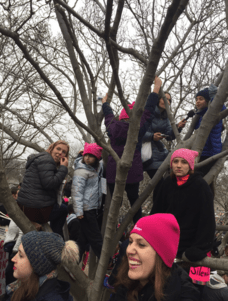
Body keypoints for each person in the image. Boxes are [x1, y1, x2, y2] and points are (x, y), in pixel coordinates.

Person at [102, 79, 161, 224]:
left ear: (120, 117)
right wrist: (156, 89)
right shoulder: (137, 127)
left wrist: (105, 104)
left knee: (114, 203)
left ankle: (113, 228)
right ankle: (138, 225)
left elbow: (108, 116)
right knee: (135, 202)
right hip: (132, 172)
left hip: (112, 172)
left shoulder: (113, 126)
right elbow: (148, 111)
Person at [110, 214, 200, 301]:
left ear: (161, 255)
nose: (129, 250)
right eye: (130, 242)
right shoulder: (125, 283)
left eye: (141, 244)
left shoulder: (183, 294)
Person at [151, 148, 215, 262]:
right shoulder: (167, 183)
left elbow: (207, 220)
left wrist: (199, 247)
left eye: (183, 162)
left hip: (189, 241)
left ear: (190, 165)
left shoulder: (201, 186)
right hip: (167, 238)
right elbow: (156, 212)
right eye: (175, 161)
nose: (178, 165)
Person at [4, 231, 79, 301]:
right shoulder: (24, 284)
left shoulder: (49, 297)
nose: (13, 259)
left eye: (20, 255)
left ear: (38, 265)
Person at [16, 140, 69, 234]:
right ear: (51, 148)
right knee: (63, 210)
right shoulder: (47, 160)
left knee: (60, 207)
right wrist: (63, 168)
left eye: (64, 152)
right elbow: (49, 184)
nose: (60, 152)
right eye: (58, 149)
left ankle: (39, 226)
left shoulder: (41, 158)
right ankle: (54, 238)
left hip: (26, 205)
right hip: (35, 208)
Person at [142, 78, 186, 179]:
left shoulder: (166, 117)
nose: (167, 101)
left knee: (170, 180)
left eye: (169, 100)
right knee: (158, 183)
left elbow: (169, 136)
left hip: (161, 153)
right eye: (164, 98)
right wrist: (152, 136)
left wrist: (178, 128)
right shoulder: (149, 113)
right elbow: (140, 133)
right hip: (149, 154)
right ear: (158, 99)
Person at [71, 142, 104, 261]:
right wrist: (79, 211)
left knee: (83, 237)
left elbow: (101, 164)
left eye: (91, 156)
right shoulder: (81, 171)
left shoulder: (95, 169)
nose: (87, 158)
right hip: (86, 209)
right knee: (95, 236)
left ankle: (75, 260)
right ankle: (106, 261)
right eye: (86, 155)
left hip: (93, 207)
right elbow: (76, 192)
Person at [194, 86, 226, 176]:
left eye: (201, 99)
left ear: (208, 101)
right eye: (196, 99)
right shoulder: (201, 115)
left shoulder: (213, 113)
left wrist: (214, 97)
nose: (198, 101)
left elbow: (221, 108)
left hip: (211, 153)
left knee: (200, 179)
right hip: (201, 152)